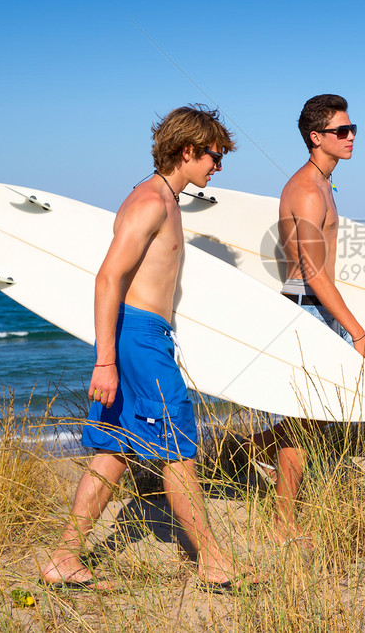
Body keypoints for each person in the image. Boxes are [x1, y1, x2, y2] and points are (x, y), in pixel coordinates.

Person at [41, 105, 250, 590]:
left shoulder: (168, 200)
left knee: (115, 449)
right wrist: (107, 360)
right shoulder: (150, 202)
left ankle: (63, 557)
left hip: (143, 335)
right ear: (188, 150)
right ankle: (213, 560)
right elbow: (108, 276)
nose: (218, 167)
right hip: (137, 338)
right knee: (177, 447)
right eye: (214, 157)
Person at [243, 94, 365, 543]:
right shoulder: (305, 189)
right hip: (306, 308)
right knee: (305, 420)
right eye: (342, 131)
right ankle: (283, 524)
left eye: (352, 128)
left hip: (315, 309)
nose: (352, 136)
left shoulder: (323, 183)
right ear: (316, 137)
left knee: (316, 418)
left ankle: (248, 448)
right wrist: (358, 333)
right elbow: (314, 272)